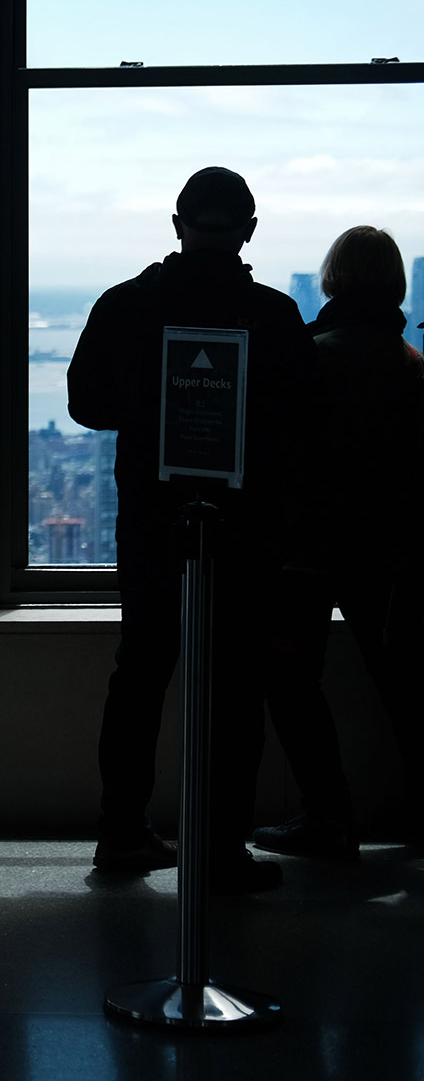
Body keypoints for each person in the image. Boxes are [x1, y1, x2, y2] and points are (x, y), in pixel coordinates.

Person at [67, 167, 319, 892]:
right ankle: (219, 850)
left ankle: (121, 834)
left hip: (151, 521)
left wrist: (152, 413)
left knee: (140, 675)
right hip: (246, 528)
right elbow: (306, 421)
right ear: (249, 229)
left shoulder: (126, 305)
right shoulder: (272, 316)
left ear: (177, 223)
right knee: (236, 690)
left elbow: (87, 404)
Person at [257, 226, 424, 856]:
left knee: (292, 679)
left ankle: (327, 814)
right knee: (404, 685)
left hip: (304, 550)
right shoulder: (411, 367)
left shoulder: (311, 356)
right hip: (392, 554)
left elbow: (276, 455)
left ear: (332, 279)